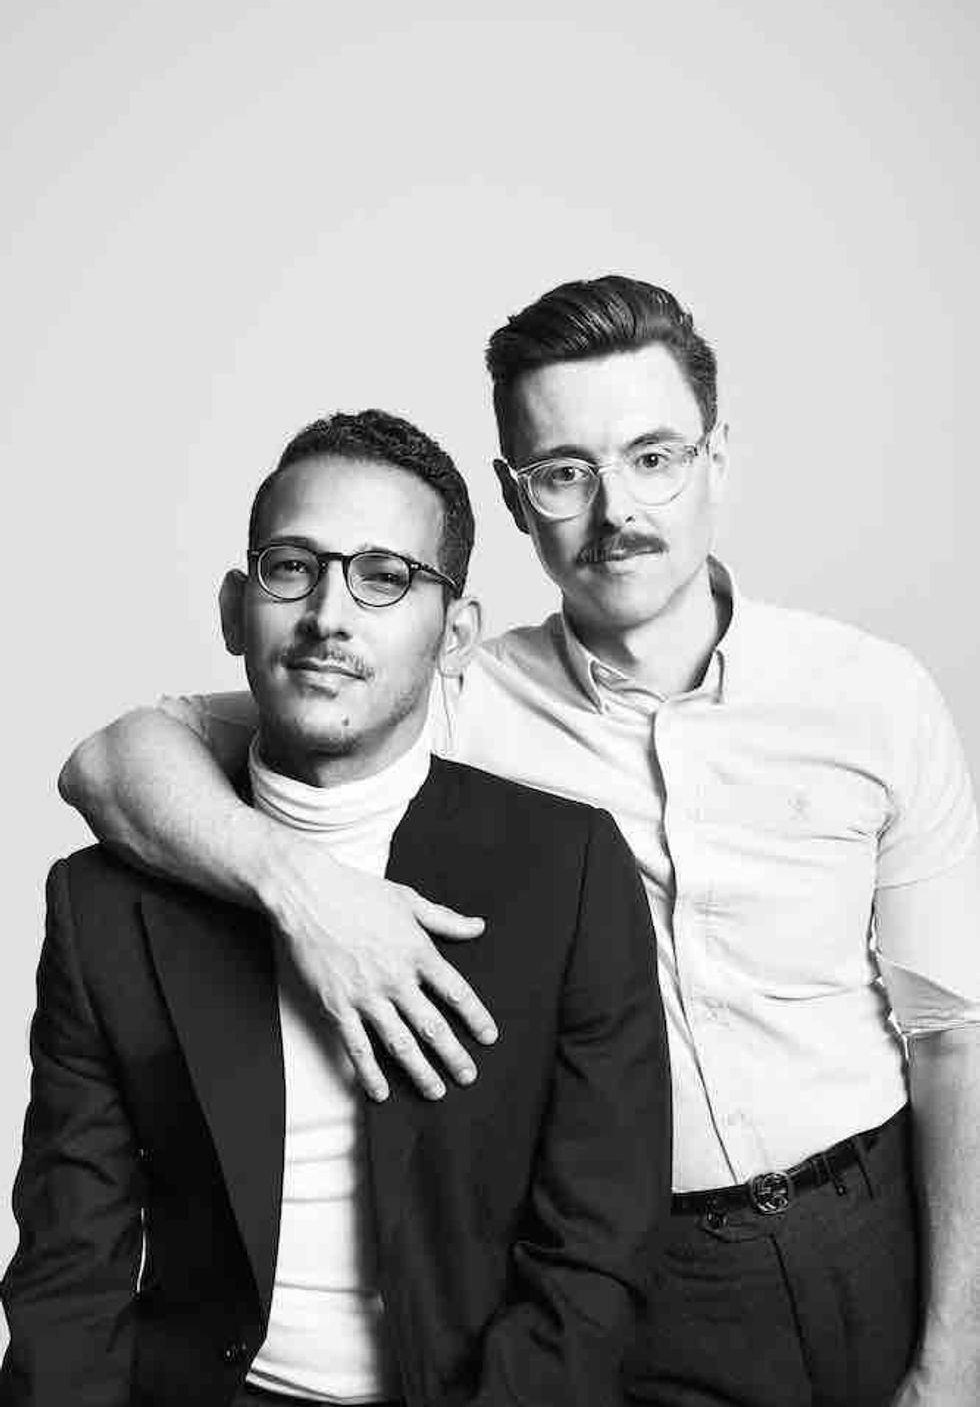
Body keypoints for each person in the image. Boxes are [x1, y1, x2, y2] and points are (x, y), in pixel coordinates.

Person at [59, 278, 980, 1406]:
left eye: (654, 457)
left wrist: (955, 1355)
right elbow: (110, 761)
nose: (616, 509)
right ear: (513, 495)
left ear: (717, 457)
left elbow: (954, 1038)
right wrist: (299, 885)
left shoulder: (873, 695)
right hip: (638, 1272)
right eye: (563, 472)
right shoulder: (442, 688)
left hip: (874, 1218)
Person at [1, 411, 670, 1407]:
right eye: (291, 567)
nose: (328, 613)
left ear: (456, 636)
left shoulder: (568, 872)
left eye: (384, 576)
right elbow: (69, 1268)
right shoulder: (104, 903)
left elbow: (598, 1250)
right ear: (235, 609)